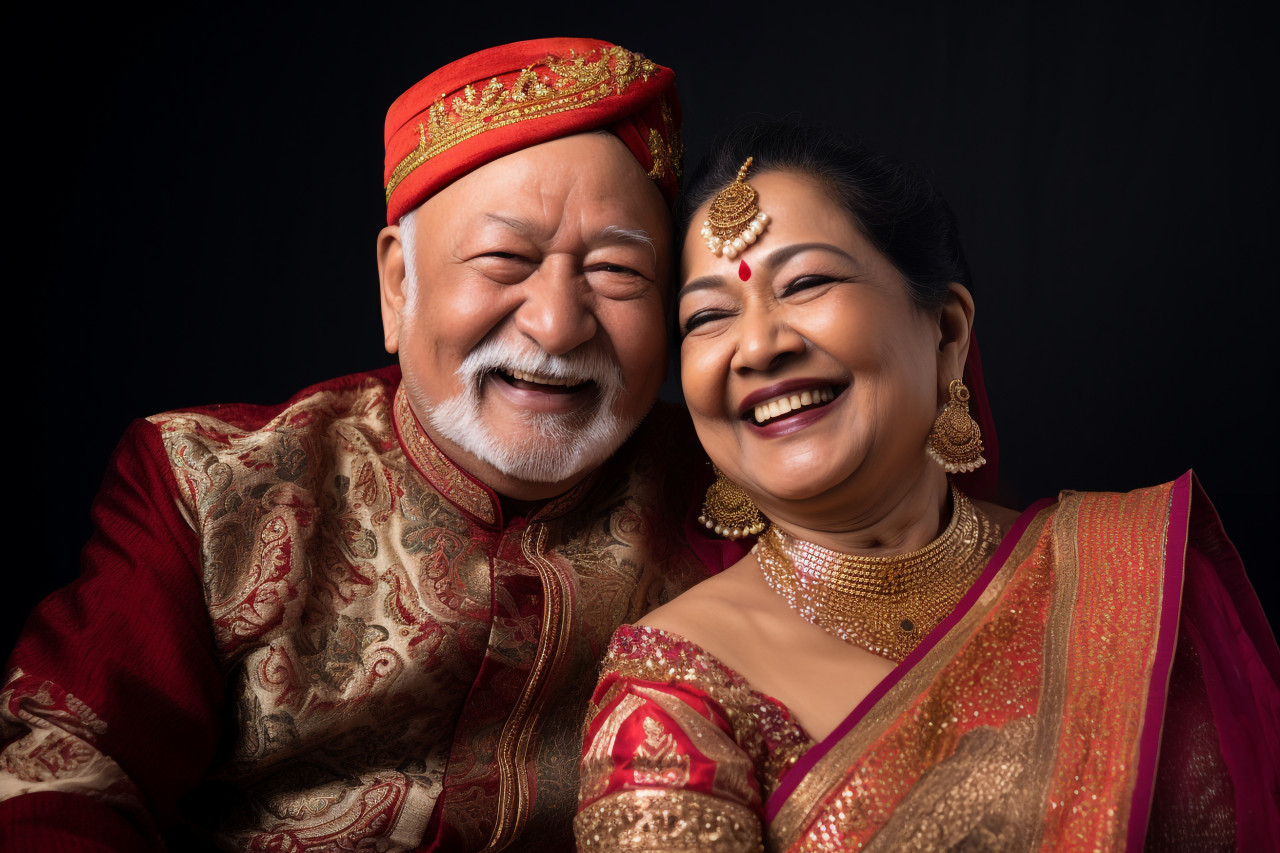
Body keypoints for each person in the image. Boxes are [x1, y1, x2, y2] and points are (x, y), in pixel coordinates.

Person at [0, 38, 743, 852]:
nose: (558, 324)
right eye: (504, 260)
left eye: (617, 272)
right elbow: (64, 767)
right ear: (399, 285)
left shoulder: (735, 498)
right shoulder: (211, 486)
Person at [574, 123, 1280, 851]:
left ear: (945, 331)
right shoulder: (671, 694)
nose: (759, 346)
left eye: (808, 282)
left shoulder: (1129, 578)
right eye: (708, 317)